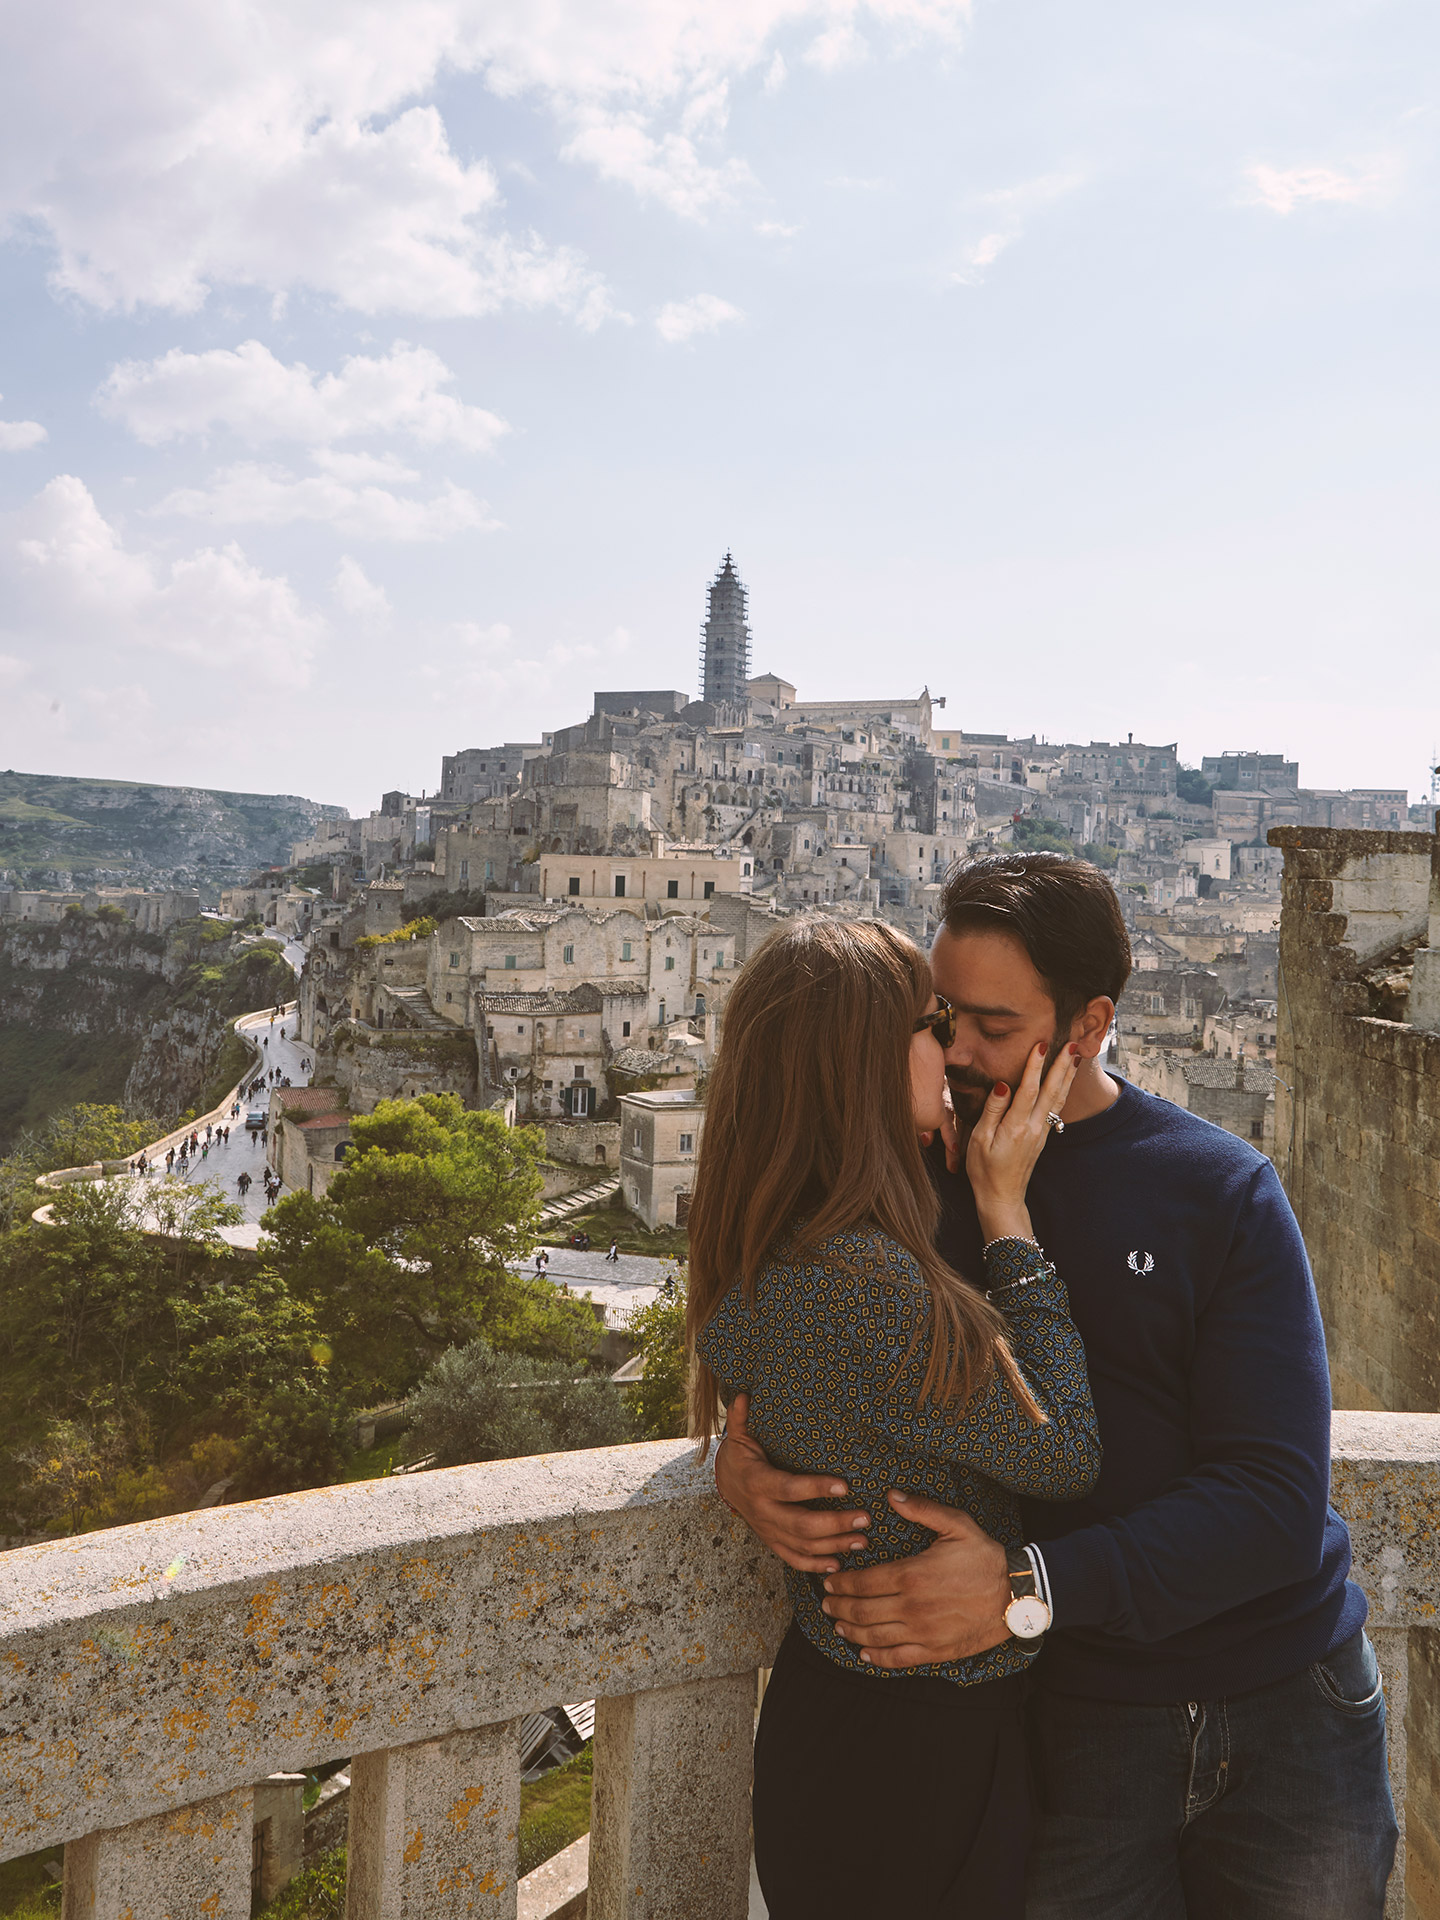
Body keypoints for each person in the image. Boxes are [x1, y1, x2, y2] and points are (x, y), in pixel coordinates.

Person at [717, 852, 1398, 1919]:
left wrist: (1028, 1585)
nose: (957, 1054)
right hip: (1077, 1716)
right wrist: (745, 1460)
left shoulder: (1216, 1187)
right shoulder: (910, 1189)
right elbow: (797, 1328)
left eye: (992, 1027)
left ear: (1087, 1026)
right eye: (941, 1020)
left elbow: (1271, 1499)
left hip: (1284, 1701)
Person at [691, 916, 1098, 1920]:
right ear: (861, 1065)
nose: (955, 1051)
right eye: (931, 1026)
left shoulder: (759, 1250)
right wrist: (1007, 1217)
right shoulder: (868, 1289)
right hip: (926, 1750)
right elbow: (1064, 1448)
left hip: (830, 1723)